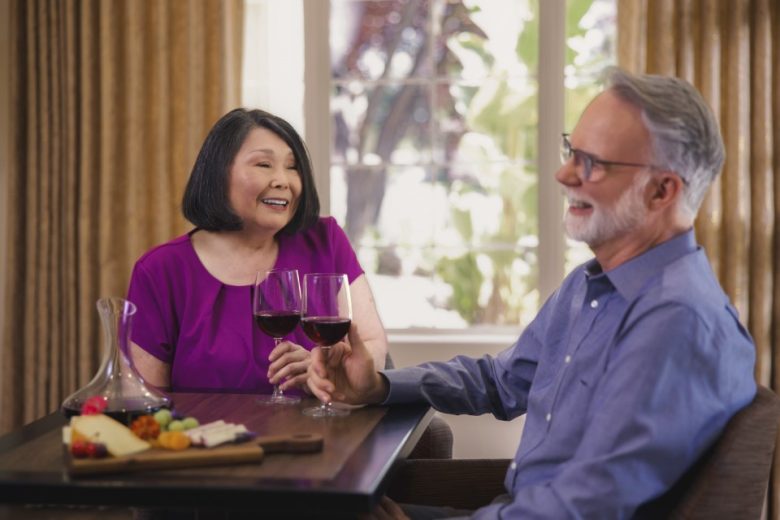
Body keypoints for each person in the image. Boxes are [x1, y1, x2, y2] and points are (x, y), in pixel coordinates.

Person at [308, 67, 757, 519]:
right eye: (571, 151)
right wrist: (379, 385)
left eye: (592, 162)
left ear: (663, 190)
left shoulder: (675, 321)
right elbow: (501, 382)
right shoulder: (590, 285)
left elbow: (587, 505)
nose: (563, 174)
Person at [126, 108, 387, 394]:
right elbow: (146, 401)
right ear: (218, 174)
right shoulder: (161, 271)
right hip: (206, 437)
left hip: (317, 434)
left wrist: (331, 374)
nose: (282, 180)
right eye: (264, 165)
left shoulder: (325, 241)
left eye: (292, 166)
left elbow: (373, 345)